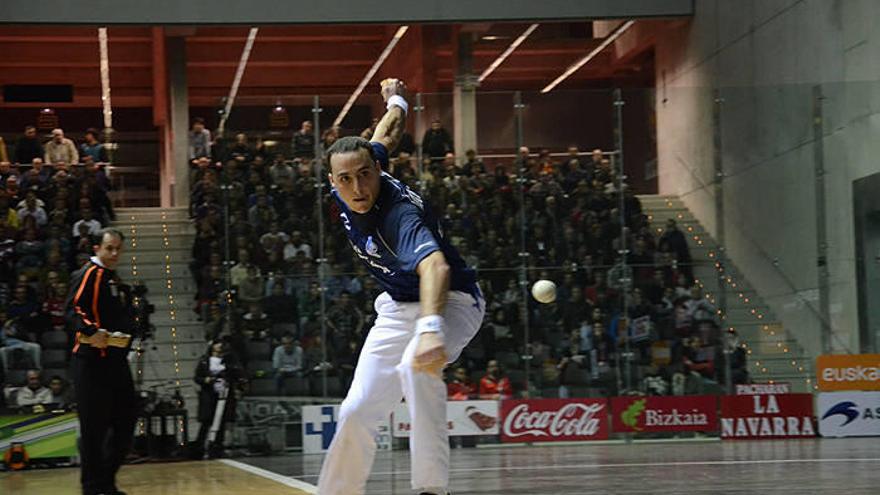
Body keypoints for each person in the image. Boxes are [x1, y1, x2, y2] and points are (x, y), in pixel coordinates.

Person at [317, 78, 485, 495]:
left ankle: (430, 488)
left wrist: (429, 329)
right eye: (345, 179)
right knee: (356, 409)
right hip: (397, 304)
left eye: (364, 176)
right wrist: (396, 99)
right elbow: (386, 133)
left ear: (377, 171)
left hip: (452, 301)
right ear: (332, 181)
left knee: (417, 366)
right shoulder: (359, 166)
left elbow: (435, 267)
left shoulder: (398, 217)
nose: (358, 188)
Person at [66, 228, 136, 495]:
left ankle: (105, 482)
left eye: (118, 248)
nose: (115, 253)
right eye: (109, 248)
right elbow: (73, 307)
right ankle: (93, 487)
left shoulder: (112, 278)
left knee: (126, 421)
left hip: (115, 361)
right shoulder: (88, 273)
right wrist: (90, 331)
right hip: (91, 363)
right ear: (97, 248)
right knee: (94, 428)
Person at [193, 340, 243, 458]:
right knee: (206, 422)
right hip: (209, 395)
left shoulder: (229, 360)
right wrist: (206, 380)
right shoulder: (204, 360)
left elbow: (236, 374)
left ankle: (217, 448)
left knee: (221, 423)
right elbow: (197, 377)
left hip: (224, 395)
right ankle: (199, 448)